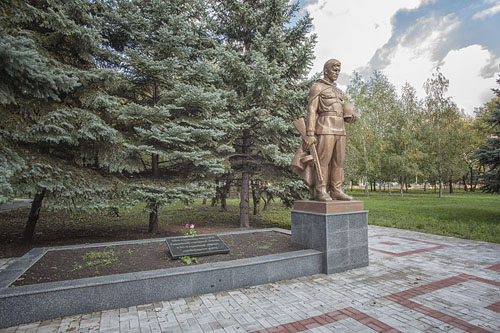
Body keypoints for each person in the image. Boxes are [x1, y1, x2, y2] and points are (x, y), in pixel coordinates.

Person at [302, 58, 357, 201]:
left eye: (338, 70)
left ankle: (336, 190)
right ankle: (320, 190)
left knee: (339, 162)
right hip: (325, 127)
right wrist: (310, 133)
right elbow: (312, 110)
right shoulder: (317, 87)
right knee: (323, 161)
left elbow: (339, 108)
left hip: (340, 128)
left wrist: (349, 115)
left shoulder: (338, 91)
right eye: (334, 69)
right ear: (325, 70)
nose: (337, 72)